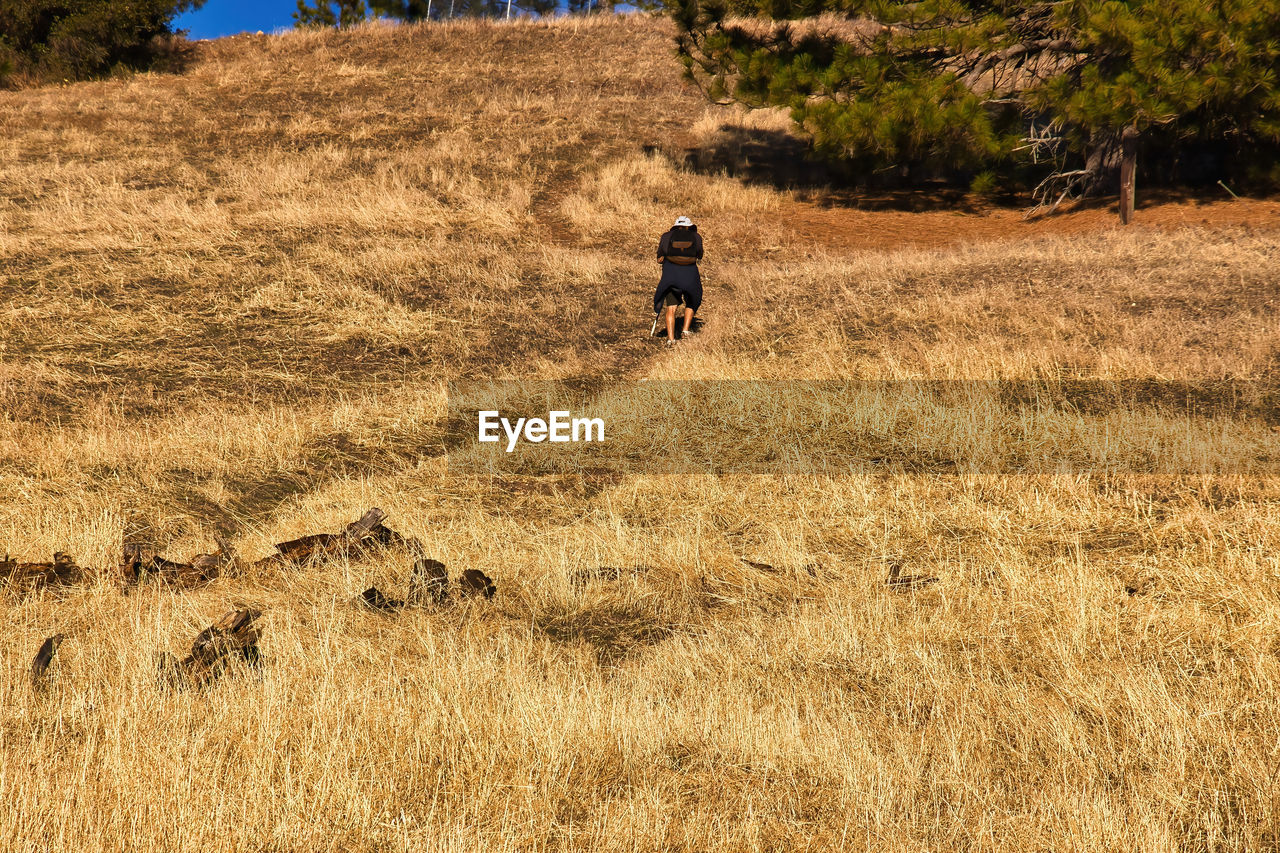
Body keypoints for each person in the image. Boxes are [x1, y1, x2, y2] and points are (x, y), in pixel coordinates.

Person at [652, 215, 703, 345]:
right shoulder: (696, 237)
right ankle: (685, 330)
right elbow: (699, 255)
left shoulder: (666, 236)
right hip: (690, 275)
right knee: (692, 300)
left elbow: (659, 259)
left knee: (671, 307)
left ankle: (671, 339)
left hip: (671, 275)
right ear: (689, 226)